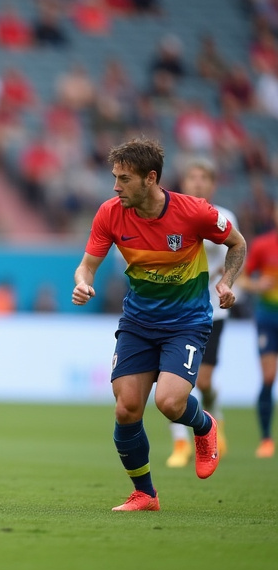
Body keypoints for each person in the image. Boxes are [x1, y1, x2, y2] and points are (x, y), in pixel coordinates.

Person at [72, 137, 245, 511]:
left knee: (168, 403)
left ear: (151, 178)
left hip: (186, 322)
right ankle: (145, 494)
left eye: (124, 179)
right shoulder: (109, 213)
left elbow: (237, 243)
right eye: (115, 178)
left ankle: (204, 426)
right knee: (126, 408)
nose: (116, 187)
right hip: (137, 323)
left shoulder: (194, 212)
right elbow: (87, 264)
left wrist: (227, 281)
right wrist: (83, 281)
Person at [166, 159, 238, 467]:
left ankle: (213, 419)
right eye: (191, 177)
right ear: (183, 182)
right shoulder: (171, 215)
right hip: (177, 311)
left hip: (211, 312)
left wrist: (225, 282)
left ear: (212, 184)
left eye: (203, 178)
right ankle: (181, 443)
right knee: (172, 382)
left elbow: (233, 256)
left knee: (204, 382)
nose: (197, 183)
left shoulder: (223, 217)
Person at [242, 204, 278, 458]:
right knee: (268, 377)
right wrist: (258, 285)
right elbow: (242, 278)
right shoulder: (263, 245)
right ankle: (266, 439)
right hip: (268, 319)